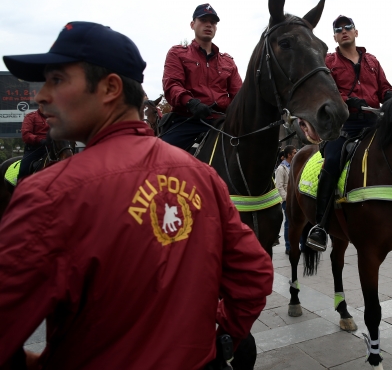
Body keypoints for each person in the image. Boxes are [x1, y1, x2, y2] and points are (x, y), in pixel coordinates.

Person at [0, 22, 273, 369]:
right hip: (189, 117)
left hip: (219, 120)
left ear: (111, 88)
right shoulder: (204, 176)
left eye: (56, 80)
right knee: (30, 162)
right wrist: (220, 338)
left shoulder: (48, 194)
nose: (40, 97)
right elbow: (254, 275)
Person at [306, 15, 392, 251]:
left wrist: (390, 96)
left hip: (375, 123)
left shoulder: (373, 61)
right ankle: (320, 226)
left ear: (356, 32)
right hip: (345, 126)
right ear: (334, 36)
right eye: (338, 29)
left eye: (348, 27)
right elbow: (325, 91)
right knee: (332, 162)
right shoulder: (328, 62)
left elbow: (384, 87)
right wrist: (346, 101)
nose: (343, 31)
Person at [161, 3, 243, 150]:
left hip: (222, 122)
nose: (208, 25)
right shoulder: (177, 53)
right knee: (159, 155)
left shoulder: (228, 62)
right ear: (192, 24)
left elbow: (239, 96)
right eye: (203, 20)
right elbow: (172, 85)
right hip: (188, 120)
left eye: (212, 22)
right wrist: (191, 103)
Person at [17, 106, 49, 181]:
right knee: (24, 170)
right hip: (35, 149)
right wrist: (40, 140)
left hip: (54, 148)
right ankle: (21, 186)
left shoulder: (56, 117)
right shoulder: (30, 116)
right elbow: (26, 134)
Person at [275, 145, 297, 255]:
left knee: (298, 222)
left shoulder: (295, 165)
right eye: (294, 152)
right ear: (288, 155)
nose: (296, 154)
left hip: (297, 200)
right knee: (289, 223)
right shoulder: (281, 169)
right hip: (287, 201)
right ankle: (289, 246)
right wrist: (287, 199)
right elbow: (279, 187)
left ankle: (299, 245)